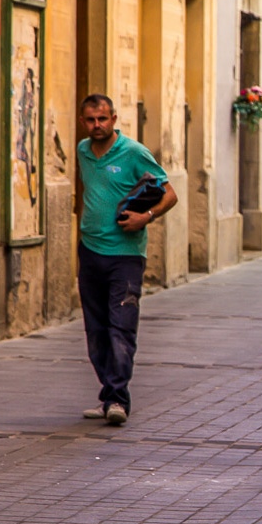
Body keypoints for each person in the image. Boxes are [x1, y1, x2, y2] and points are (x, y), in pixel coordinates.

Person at [77, 94, 178, 425]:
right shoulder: (82, 151)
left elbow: (170, 194)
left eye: (102, 119)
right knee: (96, 330)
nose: (97, 125)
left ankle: (119, 400)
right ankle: (108, 395)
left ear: (114, 118)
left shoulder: (134, 152)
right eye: (91, 120)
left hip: (126, 256)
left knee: (121, 328)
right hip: (90, 251)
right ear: (83, 121)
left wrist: (145, 217)